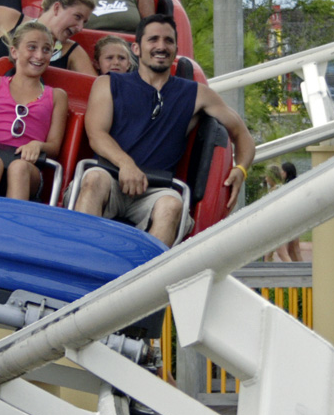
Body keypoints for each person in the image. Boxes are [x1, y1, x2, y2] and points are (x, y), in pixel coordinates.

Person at [74, 13, 255, 246]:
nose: (161, 46)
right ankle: (83, 258)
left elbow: (243, 135)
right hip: (111, 178)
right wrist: (126, 164)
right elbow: (96, 135)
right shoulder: (108, 84)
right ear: (136, 49)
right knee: (94, 179)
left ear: (176, 48)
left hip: (156, 190)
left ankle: (146, 279)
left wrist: (241, 169)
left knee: (172, 205)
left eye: (168, 41)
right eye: (153, 40)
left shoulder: (197, 93)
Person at [0, 21, 68, 200]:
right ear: (14, 52)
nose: (39, 55)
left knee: (18, 167)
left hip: (26, 166)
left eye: (46, 50)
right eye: (32, 48)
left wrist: (37, 145)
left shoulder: (57, 96)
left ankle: (12, 226)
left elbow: (54, 146)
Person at [263, 162, 302, 262]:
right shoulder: (286, 187)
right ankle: (300, 272)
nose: (265, 179)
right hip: (290, 220)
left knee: (282, 253)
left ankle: (295, 274)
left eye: (267, 176)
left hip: (279, 223)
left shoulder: (278, 189)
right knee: (291, 251)